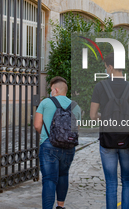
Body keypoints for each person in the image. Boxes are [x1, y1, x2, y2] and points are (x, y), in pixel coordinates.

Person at [90, 53, 129, 209]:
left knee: (111, 182)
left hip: (107, 141)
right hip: (126, 140)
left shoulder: (100, 87)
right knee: (127, 180)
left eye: (106, 67)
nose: (106, 70)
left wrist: (104, 117)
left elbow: (93, 116)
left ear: (111, 67)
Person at [34, 76, 81, 209]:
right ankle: (60, 206)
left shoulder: (46, 102)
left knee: (49, 179)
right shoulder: (76, 106)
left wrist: (46, 136)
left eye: (51, 90)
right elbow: (76, 129)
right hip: (68, 147)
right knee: (63, 175)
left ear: (55, 89)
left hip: (49, 145)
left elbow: (37, 125)